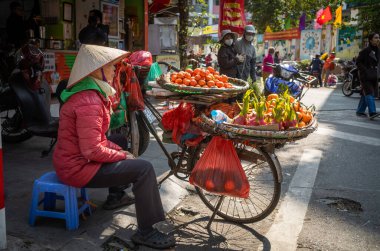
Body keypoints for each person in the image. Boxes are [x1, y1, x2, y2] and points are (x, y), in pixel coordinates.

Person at [53, 44, 175, 249]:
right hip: (76, 168)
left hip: (75, 159)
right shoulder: (89, 100)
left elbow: (97, 140)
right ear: (96, 71)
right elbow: (92, 150)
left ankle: (116, 196)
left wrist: (119, 150)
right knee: (144, 169)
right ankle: (146, 231)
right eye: (110, 67)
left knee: (119, 141)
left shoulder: (90, 93)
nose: (114, 71)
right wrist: (122, 157)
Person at [356, 33, 380, 119]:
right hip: (365, 76)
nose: (378, 39)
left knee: (365, 93)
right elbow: (358, 62)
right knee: (369, 93)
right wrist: (365, 71)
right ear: (371, 40)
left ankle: (360, 111)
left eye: (378, 37)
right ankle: (372, 112)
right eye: (376, 38)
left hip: (374, 75)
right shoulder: (365, 51)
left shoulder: (378, 50)